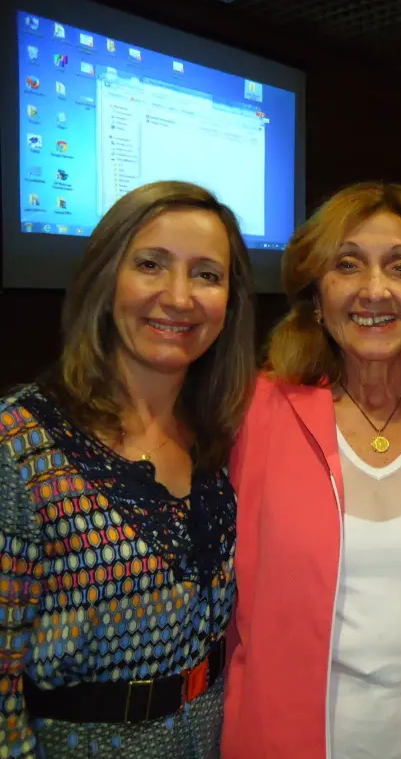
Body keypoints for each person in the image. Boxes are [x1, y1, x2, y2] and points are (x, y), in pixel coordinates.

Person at [221, 182, 401, 759]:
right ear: (317, 293)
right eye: (347, 265)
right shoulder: (254, 415)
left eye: (400, 267)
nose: (374, 291)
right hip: (280, 741)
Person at [0, 181, 256, 758]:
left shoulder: (227, 437)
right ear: (105, 278)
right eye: (150, 264)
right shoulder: (21, 445)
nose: (180, 296)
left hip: (215, 737)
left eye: (207, 275)